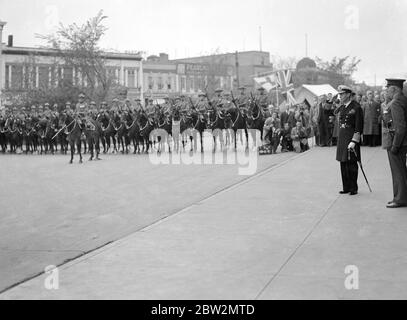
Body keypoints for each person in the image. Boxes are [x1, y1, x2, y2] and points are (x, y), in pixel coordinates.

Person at [382, 79, 407, 208]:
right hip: (400, 142)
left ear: (394, 89)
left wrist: (395, 146)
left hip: (397, 142)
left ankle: (400, 199)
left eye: (388, 89)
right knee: (401, 171)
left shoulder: (396, 102)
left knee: (398, 172)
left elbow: (400, 127)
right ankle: (399, 196)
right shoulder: (402, 99)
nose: (386, 91)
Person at [335, 85, 364, 196]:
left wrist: (354, 140)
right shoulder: (342, 107)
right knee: (343, 162)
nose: (340, 96)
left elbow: (359, 126)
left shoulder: (356, 107)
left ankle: (353, 188)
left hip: (351, 139)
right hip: (342, 138)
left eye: (342, 94)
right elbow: (334, 112)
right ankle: (346, 187)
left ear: (348, 94)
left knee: (351, 163)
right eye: (339, 94)